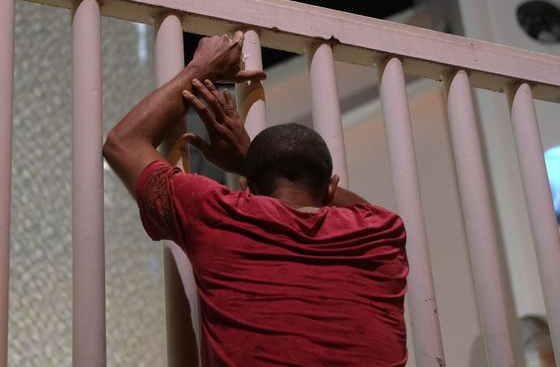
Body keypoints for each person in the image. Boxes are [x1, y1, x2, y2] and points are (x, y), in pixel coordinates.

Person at [103, 32, 408, 366]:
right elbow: (365, 210)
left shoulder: (219, 216)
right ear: (331, 188)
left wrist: (200, 68)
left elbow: (123, 143)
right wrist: (252, 160)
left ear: (250, 186)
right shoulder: (382, 236)